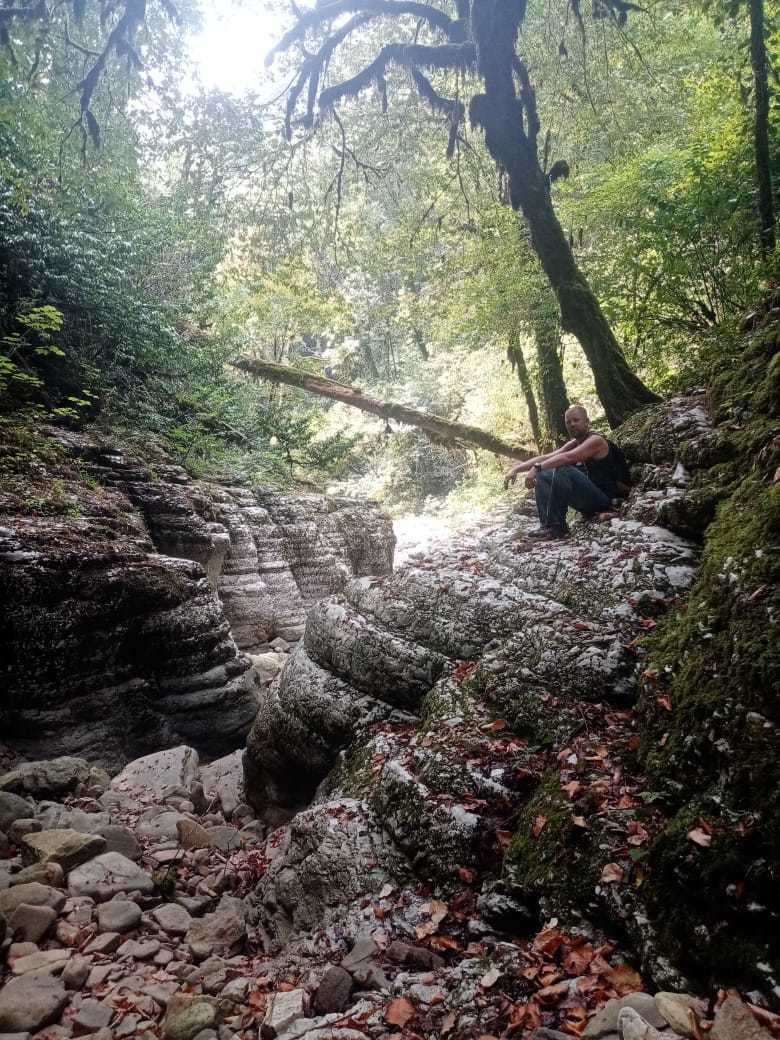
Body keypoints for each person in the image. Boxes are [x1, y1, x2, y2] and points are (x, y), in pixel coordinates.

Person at [503, 405, 631, 540]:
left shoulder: (596, 441)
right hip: (590, 498)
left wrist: (536, 468)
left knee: (562, 469)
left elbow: (568, 458)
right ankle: (549, 526)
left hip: (607, 500)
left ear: (587, 422)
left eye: (576, 420)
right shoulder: (574, 443)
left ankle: (556, 527)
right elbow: (547, 458)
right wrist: (516, 469)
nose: (572, 424)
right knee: (544, 473)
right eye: (568, 422)